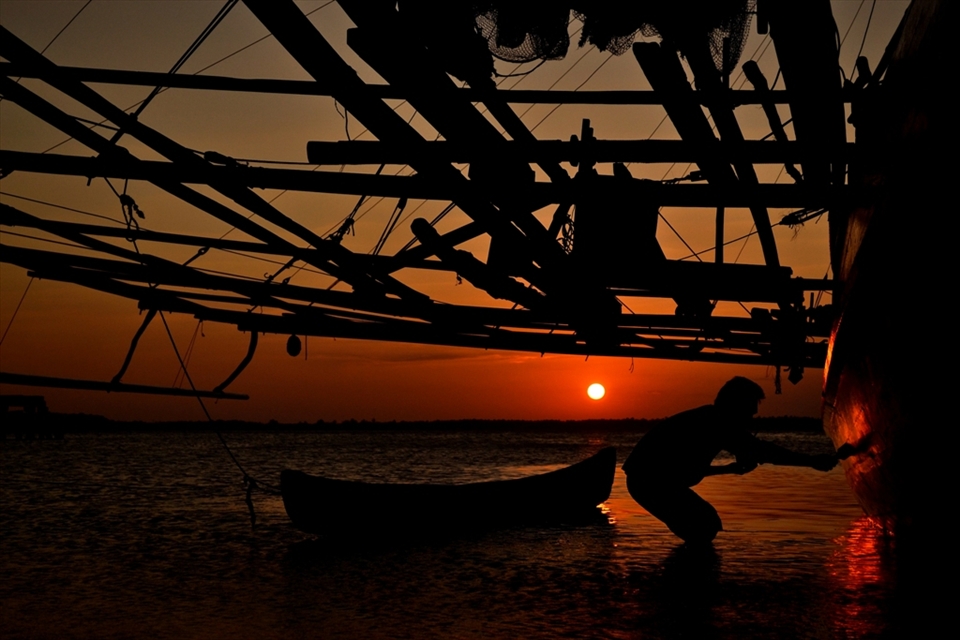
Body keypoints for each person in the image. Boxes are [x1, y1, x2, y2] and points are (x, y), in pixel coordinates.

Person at [623, 377, 837, 544]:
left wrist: (729, 469)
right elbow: (764, 451)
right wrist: (810, 461)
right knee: (704, 525)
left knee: (706, 524)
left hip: (650, 481)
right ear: (736, 406)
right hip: (648, 483)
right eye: (748, 413)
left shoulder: (709, 419)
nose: (749, 419)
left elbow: (684, 469)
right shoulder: (716, 422)